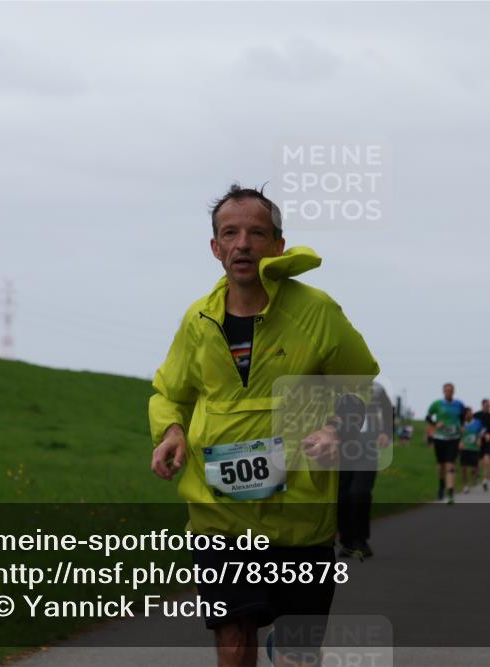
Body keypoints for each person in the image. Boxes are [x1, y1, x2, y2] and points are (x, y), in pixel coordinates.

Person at [149, 184, 379, 667]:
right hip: (219, 516)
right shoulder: (198, 320)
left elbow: (357, 383)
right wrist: (171, 432)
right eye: (229, 233)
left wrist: (336, 430)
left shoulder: (316, 312)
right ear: (215, 247)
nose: (243, 245)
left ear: (278, 244)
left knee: (297, 654)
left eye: (256, 233)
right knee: (234, 634)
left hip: (301, 517)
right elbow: (171, 392)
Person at [337, 382, 392, 559]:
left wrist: (386, 432)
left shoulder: (376, 388)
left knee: (360, 493)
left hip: (367, 446)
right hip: (341, 446)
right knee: (342, 494)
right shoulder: (334, 386)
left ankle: (360, 541)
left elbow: (387, 410)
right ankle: (346, 541)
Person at [425, 382, 467, 504]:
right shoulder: (437, 404)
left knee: (450, 465)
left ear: (453, 391)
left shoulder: (459, 404)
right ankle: (441, 487)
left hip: (454, 438)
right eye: (446, 390)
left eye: (451, 390)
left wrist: (461, 426)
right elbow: (428, 417)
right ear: (443, 391)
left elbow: (462, 417)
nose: (449, 392)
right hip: (439, 438)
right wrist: (435, 424)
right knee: (441, 466)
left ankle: (450, 492)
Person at [458, 406, 483, 493]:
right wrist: (460, 442)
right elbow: (457, 434)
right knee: (464, 467)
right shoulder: (461, 424)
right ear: (464, 415)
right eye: (467, 414)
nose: (469, 415)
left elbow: (480, 432)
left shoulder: (477, 422)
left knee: (475, 467)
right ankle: (465, 485)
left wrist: (479, 439)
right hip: (464, 447)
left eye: (470, 413)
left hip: (474, 448)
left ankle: (475, 476)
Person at [473, 398, 490, 492]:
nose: (488, 407)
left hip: (488, 441)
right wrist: (478, 437)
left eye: (489, 405)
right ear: (482, 405)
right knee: (477, 462)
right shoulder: (476, 415)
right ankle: (475, 475)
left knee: (487, 460)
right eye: (487, 405)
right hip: (477, 440)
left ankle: (485, 481)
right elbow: (472, 428)